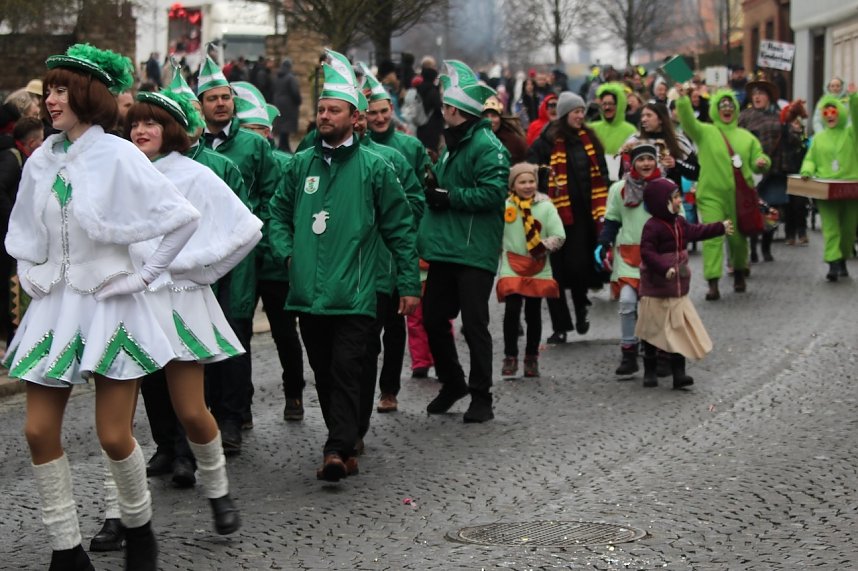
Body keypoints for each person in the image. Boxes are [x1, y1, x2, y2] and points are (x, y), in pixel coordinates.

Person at [4, 43, 202, 571]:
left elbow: (182, 218)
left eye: (63, 89)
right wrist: (31, 274)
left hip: (110, 305)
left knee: (114, 435)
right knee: (37, 431)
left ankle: (140, 531)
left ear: (88, 94)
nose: (51, 99)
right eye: (49, 90)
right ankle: (65, 550)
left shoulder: (118, 155)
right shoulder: (40, 159)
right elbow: (23, 233)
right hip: (55, 307)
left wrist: (143, 276)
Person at [268, 49, 420, 481]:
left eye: (334, 110)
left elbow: (400, 227)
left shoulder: (376, 166)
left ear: (355, 118)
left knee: (349, 366)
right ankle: (348, 435)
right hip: (309, 294)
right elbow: (277, 215)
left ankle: (336, 448)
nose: (324, 116)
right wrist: (289, 253)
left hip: (357, 291)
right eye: (321, 110)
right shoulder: (301, 164)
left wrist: (408, 283)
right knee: (324, 371)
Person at [120, 88, 260, 537]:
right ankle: (118, 515)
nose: (141, 130)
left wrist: (200, 270)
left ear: (171, 130)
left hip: (179, 301)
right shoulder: (121, 173)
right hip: (129, 302)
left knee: (193, 409)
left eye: (152, 123)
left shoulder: (194, 175)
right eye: (136, 123)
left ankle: (218, 492)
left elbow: (245, 229)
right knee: (117, 419)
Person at [196, 55, 279, 453]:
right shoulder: (189, 150)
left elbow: (272, 195)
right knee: (200, 336)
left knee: (233, 333)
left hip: (240, 256)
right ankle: (205, 414)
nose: (221, 104)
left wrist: (253, 230)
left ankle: (232, 415)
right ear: (200, 105)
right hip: (198, 256)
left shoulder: (252, 144)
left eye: (226, 97)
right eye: (212, 98)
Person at [419, 60, 510, 423]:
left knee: (475, 325)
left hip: (474, 251)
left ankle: (481, 396)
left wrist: (449, 196)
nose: (443, 111)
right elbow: (447, 185)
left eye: (445, 106)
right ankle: (453, 381)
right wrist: (433, 185)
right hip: (447, 247)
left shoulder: (488, 146)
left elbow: (492, 194)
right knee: (432, 317)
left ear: (455, 110)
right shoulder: (456, 142)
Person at [230, 83, 307, 421]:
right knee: (239, 331)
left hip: (273, 262)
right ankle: (240, 404)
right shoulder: (232, 161)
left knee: (284, 331)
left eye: (255, 132)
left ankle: (294, 394)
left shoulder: (287, 164)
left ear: (266, 132)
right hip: (243, 261)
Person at [361, 66, 427, 414]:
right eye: (373, 113)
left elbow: (418, 199)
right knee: (368, 329)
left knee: (394, 323)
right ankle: (363, 390)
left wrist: (397, 222)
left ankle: (390, 389)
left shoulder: (408, 148)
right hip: (364, 254)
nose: (380, 118)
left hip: (395, 249)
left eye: (385, 112)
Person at [675, 84, 770, 300]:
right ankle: (713, 281)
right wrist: (683, 100)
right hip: (711, 195)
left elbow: (758, 162)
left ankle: (739, 273)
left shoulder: (747, 137)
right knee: (712, 236)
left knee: (737, 239)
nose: (726, 110)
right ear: (716, 110)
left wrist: (762, 162)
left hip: (739, 197)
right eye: (722, 106)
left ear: (735, 109)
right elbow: (688, 122)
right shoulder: (706, 132)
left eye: (730, 106)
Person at [528, 91, 609, 344]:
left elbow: (602, 173)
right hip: (552, 217)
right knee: (553, 273)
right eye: (576, 111)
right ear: (565, 114)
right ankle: (560, 326)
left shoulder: (590, 140)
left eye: (582, 111)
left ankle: (581, 304)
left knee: (577, 267)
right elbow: (533, 174)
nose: (581, 115)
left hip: (583, 217)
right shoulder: (545, 143)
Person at [636, 178, 732, 389]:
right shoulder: (651, 227)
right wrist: (664, 268)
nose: (680, 201)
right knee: (652, 331)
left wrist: (719, 228)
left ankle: (679, 373)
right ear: (663, 201)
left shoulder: (679, 222)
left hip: (677, 289)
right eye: (675, 197)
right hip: (656, 289)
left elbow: (696, 231)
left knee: (678, 329)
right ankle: (650, 371)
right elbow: (647, 253)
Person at [596, 143, 660, 377]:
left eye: (649, 159)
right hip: (628, 256)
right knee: (626, 302)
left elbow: (678, 218)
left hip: (656, 257)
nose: (645, 164)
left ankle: (659, 354)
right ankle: (629, 353)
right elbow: (612, 220)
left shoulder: (664, 187)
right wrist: (603, 244)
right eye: (640, 159)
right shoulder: (619, 189)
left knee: (653, 307)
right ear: (632, 163)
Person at [498, 163, 565, 378]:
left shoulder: (546, 207)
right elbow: (495, 233)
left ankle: (531, 356)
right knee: (511, 311)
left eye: (531, 181)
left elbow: (559, 234)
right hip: (512, 264)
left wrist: (543, 246)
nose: (528, 186)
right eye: (522, 182)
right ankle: (510, 355)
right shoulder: (505, 206)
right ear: (513, 185)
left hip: (538, 265)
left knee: (533, 313)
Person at [799, 91, 858, 281]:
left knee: (848, 229)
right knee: (831, 227)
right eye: (826, 113)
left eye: (833, 111)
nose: (830, 115)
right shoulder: (818, 138)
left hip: (851, 189)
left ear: (840, 112)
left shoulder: (851, 134)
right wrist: (807, 171)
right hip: (826, 190)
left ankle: (842, 257)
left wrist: (854, 100)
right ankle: (833, 262)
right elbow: (810, 159)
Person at [0, 117, 44, 346]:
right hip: (10, 237)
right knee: (11, 290)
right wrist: (15, 222)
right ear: (33, 142)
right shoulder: (12, 158)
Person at [739, 78, 783, 263]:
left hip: (773, 170)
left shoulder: (779, 116)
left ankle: (766, 246)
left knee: (771, 209)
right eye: (755, 94)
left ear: (769, 98)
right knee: (752, 209)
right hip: (751, 172)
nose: (757, 97)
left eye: (761, 94)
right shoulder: (744, 116)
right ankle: (753, 247)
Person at [624, 102, 699, 191]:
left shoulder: (677, 140)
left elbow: (696, 172)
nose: (644, 119)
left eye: (649, 115)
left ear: (661, 119)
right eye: (642, 116)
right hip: (640, 196)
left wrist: (676, 164)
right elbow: (624, 172)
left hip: (670, 196)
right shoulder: (634, 140)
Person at [778, 100, 811, 245]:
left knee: (800, 205)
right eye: (794, 123)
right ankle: (790, 234)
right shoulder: (785, 133)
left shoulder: (803, 138)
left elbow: (808, 152)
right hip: (787, 171)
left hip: (800, 173)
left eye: (797, 124)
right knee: (788, 205)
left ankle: (802, 232)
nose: (795, 126)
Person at [589, 82, 637, 159]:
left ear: (619, 105)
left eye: (611, 104)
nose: (607, 107)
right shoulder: (592, 128)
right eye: (604, 104)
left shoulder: (630, 131)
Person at [483, 96, 527, 164]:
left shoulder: (514, 142)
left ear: (500, 118)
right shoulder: (472, 140)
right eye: (485, 116)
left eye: (494, 116)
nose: (489, 120)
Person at [415, 56, 445, 155]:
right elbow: (438, 106)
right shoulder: (432, 90)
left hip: (421, 126)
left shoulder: (418, 88)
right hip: (432, 129)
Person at [271, 58, 302, 152]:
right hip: (288, 104)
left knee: (281, 125)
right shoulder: (290, 77)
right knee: (287, 125)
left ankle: (284, 145)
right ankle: (284, 147)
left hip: (278, 102)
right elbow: (295, 92)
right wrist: (298, 101)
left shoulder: (277, 77)